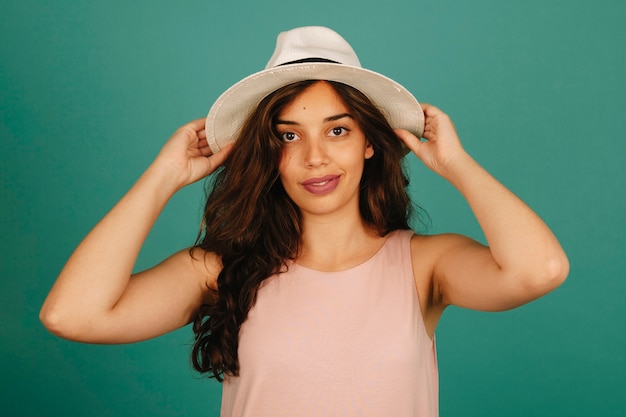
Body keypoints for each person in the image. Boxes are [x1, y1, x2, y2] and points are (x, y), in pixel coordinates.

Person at [40, 26, 569, 417]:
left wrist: (458, 165)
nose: (315, 157)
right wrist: (162, 176)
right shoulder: (220, 270)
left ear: (369, 143)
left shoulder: (423, 265)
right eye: (289, 136)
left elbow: (539, 269)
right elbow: (72, 316)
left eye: (337, 131)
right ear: (269, 153)